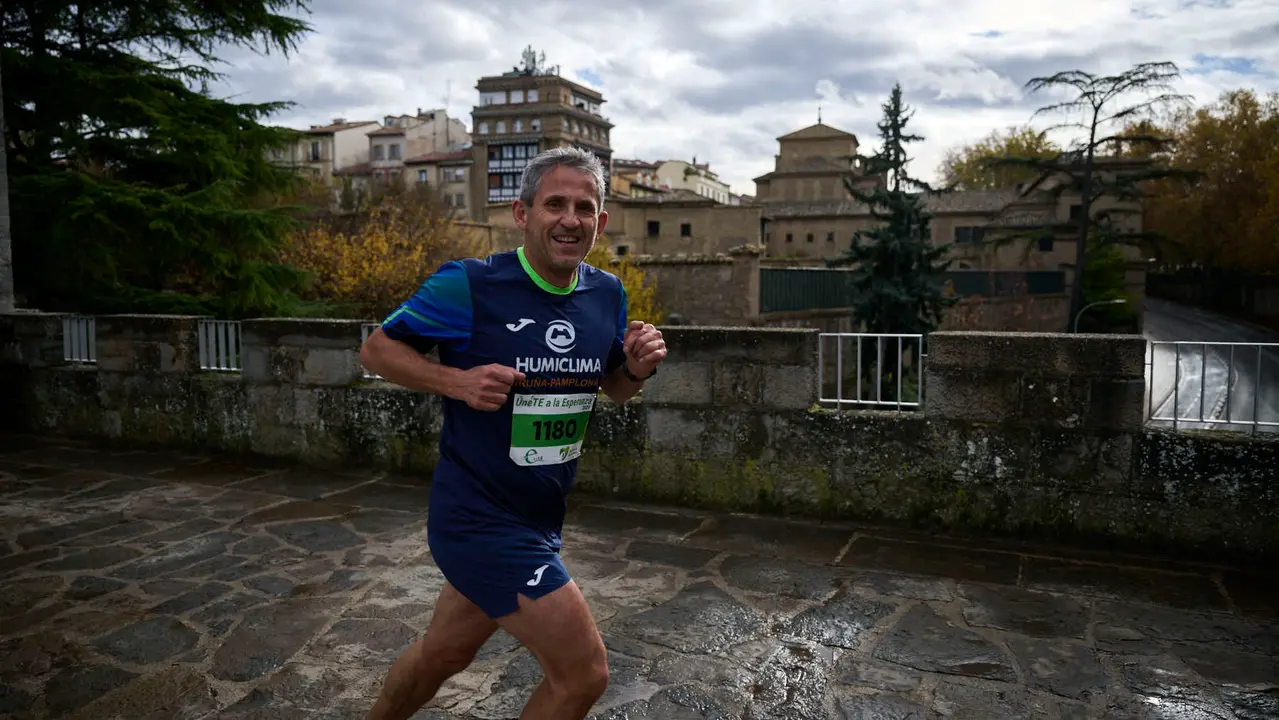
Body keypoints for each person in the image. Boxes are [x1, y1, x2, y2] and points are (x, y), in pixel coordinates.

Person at [359, 146, 666, 720]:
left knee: (443, 653)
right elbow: (376, 349)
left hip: (539, 515)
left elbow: (612, 387)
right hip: (478, 519)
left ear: (601, 222)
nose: (569, 219)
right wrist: (456, 381)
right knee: (583, 676)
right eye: (554, 203)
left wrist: (637, 368)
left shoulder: (606, 294)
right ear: (522, 214)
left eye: (584, 207)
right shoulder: (470, 285)